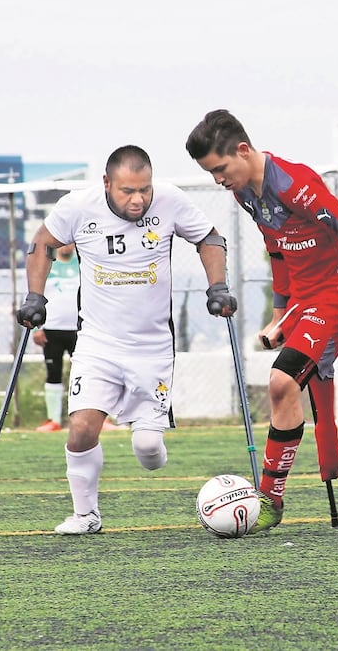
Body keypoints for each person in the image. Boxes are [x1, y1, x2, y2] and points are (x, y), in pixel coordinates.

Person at [16, 145, 236, 535]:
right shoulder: (77, 207)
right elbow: (42, 244)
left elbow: (210, 239)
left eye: (144, 190)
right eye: (127, 191)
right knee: (82, 426)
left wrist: (217, 287)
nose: (138, 200)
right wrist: (36, 297)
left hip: (152, 349)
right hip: (97, 344)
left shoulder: (170, 201)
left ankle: (151, 434)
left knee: (148, 450)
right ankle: (86, 515)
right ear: (107, 184)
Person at [186, 109, 338, 535]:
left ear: (243, 150)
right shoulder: (244, 193)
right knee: (285, 383)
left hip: (336, 294)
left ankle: (269, 501)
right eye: (210, 173)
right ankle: (277, 492)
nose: (218, 180)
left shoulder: (295, 184)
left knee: (281, 382)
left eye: (220, 169)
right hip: (303, 301)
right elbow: (278, 251)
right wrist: (279, 312)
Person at [33, 243, 80, 433]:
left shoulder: (84, 264)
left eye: (71, 241)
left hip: (80, 329)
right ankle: (53, 420)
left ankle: (97, 419)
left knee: (89, 374)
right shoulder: (47, 266)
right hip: (52, 329)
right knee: (54, 373)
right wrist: (39, 327)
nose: (68, 246)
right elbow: (36, 296)